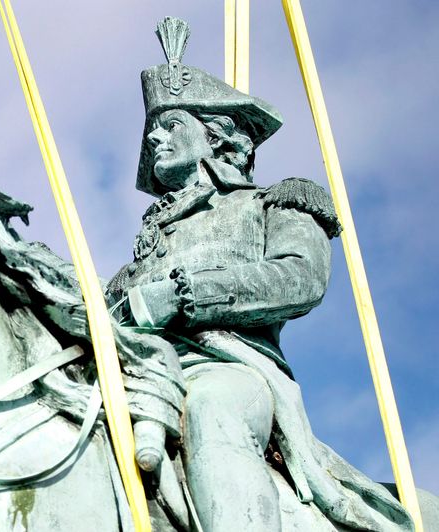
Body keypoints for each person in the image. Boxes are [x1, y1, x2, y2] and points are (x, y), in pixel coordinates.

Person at [105, 17, 412, 532]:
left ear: (217, 134)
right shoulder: (146, 244)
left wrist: (185, 296)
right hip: (139, 370)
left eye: (171, 123)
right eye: (153, 128)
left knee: (208, 410)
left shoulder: (273, 204)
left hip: (231, 369)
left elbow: (300, 279)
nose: (156, 136)